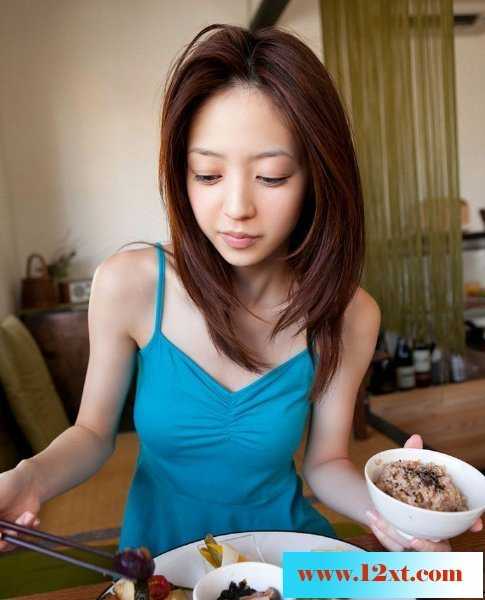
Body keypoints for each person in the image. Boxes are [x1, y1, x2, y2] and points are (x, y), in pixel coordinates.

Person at [0, 24, 481, 557]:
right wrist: (28, 478)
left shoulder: (350, 314)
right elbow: (92, 434)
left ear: (317, 177)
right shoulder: (130, 285)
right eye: (207, 175)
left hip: (289, 564)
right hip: (162, 573)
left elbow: (326, 465)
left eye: (271, 177)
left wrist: (405, 517)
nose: (236, 209)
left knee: (433, 587)